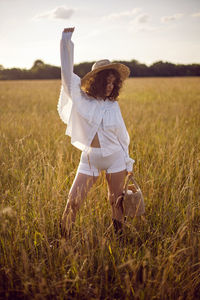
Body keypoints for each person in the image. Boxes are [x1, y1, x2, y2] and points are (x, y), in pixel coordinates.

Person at [57, 27, 135, 237]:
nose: (110, 87)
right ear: (96, 81)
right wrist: (66, 41)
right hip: (90, 158)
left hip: (115, 157)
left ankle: (120, 239)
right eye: (106, 82)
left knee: (116, 201)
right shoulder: (82, 100)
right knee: (73, 201)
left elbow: (122, 135)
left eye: (113, 82)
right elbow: (66, 76)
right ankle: (62, 239)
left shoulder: (113, 106)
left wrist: (128, 162)